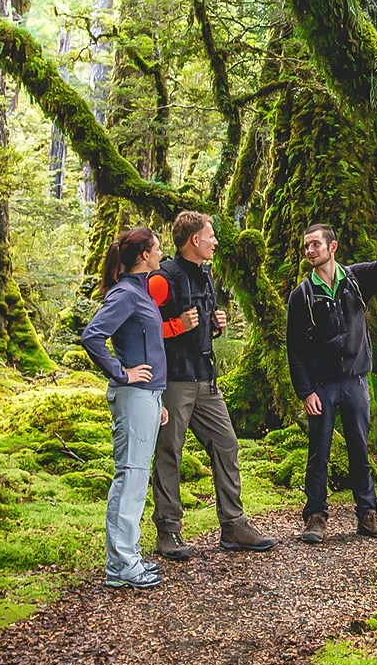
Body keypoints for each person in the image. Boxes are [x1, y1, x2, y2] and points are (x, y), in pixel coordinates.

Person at [287, 207, 377, 544]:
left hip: (356, 381)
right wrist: (305, 391)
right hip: (322, 386)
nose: (310, 251)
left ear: (332, 248)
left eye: (316, 245)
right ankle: (315, 517)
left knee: (359, 449)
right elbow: (294, 348)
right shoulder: (301, 295)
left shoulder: (356, 279)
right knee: (319, 451)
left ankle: (368, 513)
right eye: (306, 246)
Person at [148, 211, 275, 559]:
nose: (215, 241)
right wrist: (175, 326)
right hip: (174, 381)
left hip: (207, 380)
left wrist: (214, 324)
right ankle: (169, 531)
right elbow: (140, 331)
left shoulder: (205, 276)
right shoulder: (162, 279)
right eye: (210, 236)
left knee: (226, 444)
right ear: (194, 241)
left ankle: (233, 525)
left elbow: (200, 322)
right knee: (169, 452)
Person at [81, 226, 169, 590]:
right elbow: (92, 335)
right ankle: (121, 562)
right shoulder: (125, 295)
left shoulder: (140, 292)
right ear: (144, 255)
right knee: (130, 475)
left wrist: (158, 398)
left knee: (135, 475)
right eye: (158, 248)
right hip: (133, 397)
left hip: (147, 398)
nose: (161, 252)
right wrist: (122, 373)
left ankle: (126, 557)